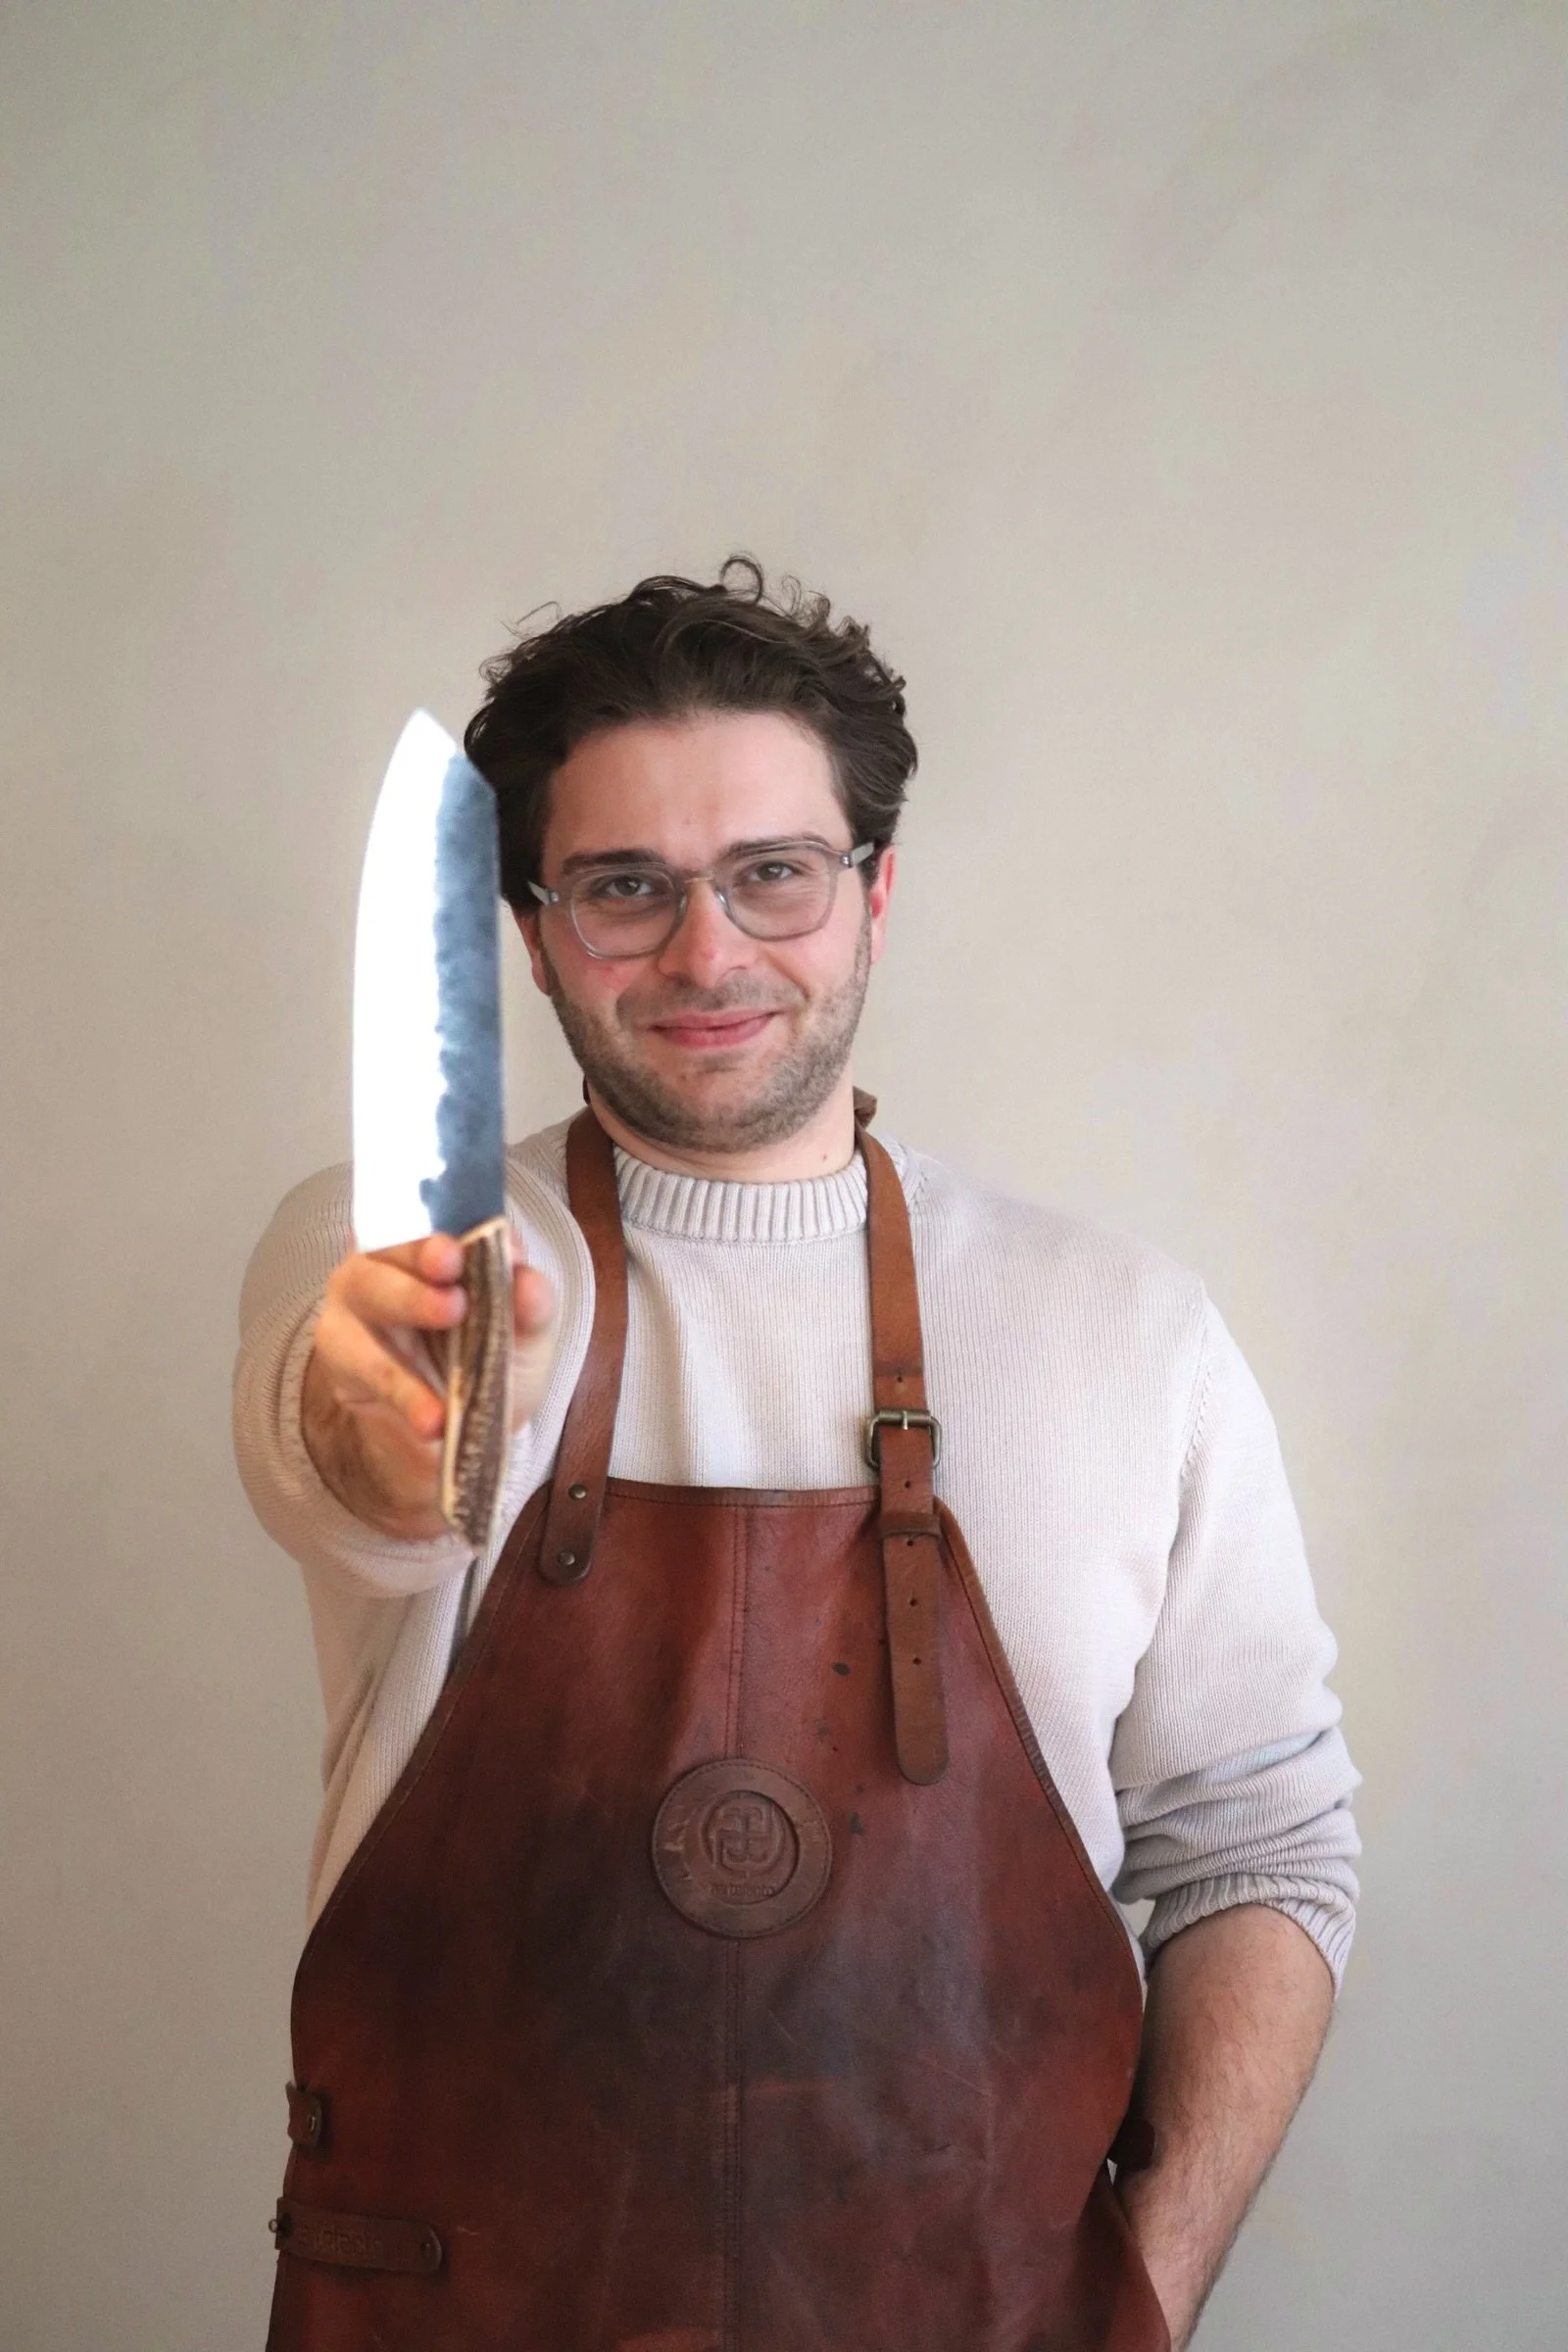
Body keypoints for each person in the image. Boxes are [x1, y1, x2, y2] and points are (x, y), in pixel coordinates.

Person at [234, 558, 1358, 2352]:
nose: (707, 952)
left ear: (874, 896)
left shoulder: (1124, 1333)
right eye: (624, 888)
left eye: (773, 874)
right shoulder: (405, 1258)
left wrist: (1139, 2287)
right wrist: (382, 1441)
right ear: (531, 931)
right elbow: (349, 1461)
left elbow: (1259, 1844)